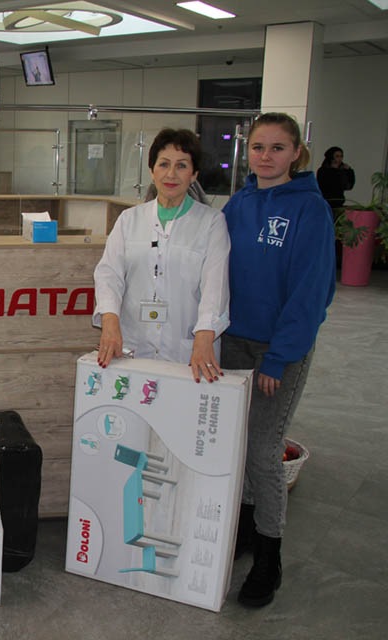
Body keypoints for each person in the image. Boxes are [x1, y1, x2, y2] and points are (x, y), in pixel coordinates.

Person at [222, 113, 335, 608]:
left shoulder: (310, 209)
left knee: (264, 450)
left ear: (296, 154)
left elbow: (311, 294)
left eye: (277, 148)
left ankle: (270, 556)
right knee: (237, 445)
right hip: (232, 344)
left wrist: (279, 358)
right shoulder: (238, 204)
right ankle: (247, 529)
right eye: (258, 147)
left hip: (276, 351)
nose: (266, 156)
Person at [93, 128, 230, 383]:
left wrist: (204, 336)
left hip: (187, 350)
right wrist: (110, 323)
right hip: (132, 345)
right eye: (164, 164)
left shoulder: (211, 222)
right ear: (152, 170)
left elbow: (216, 287)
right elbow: (108, 275)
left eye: (182, 166)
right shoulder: (129, 220)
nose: (171, 174)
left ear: (194, 174)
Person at [316, 145, 355, 211]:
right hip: (325, 202)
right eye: (337, 156)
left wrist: (349, 171)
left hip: (338, 203)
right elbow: (322, 186)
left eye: (341, 156)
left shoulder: (343, 171)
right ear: (331, 157)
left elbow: (348, 186)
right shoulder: (323, 170)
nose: (340, 159)